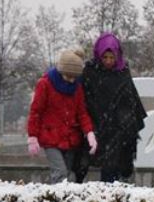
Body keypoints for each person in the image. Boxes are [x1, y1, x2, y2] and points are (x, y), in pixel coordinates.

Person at [77, 32, 147, 183]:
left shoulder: (122, 72)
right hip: (95, 126)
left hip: (117, 129)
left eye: (112, 57)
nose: (108, 61)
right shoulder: (90, 72)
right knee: (82, 166)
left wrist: (126, 122)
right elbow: (84, 99)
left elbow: (130, 100)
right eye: (105, 57)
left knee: (114, 168)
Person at [27, 49, 98, 183]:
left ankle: (59, 193)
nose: (71, 80)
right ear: (61, 72)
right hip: (50, 137)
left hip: (70, 138)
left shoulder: (76, 88)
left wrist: (89, 132)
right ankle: (58, 194)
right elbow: (36, 112)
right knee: (60, 172)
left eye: (74, 77)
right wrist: (32, 136)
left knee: (68, 174)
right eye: (68, 76)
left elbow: (82, 113)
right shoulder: (45, 84)